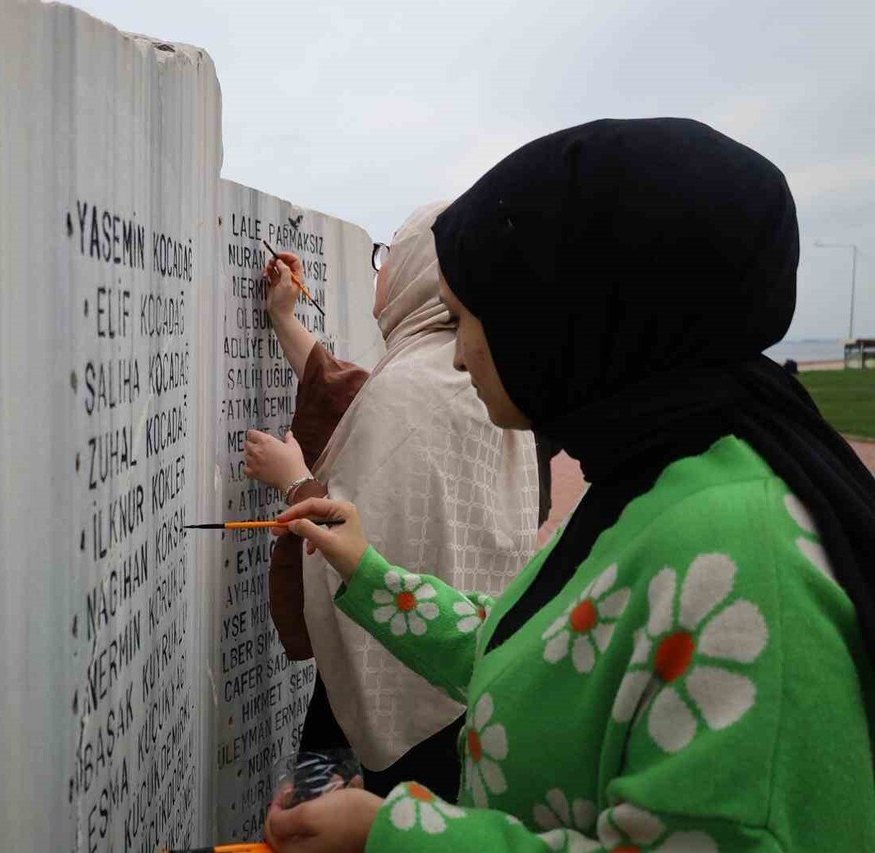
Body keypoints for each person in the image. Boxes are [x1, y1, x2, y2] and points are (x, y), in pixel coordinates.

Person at [263, 118, 875, 852]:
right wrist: (368, 571)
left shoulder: (743, 557)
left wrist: (394, 834)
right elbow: (547, 645)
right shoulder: (659, 482)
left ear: (571, 319)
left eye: (468, 320)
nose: (457, 357)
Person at [244, 202, 541, 799]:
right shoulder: (471, 369)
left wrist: (299, 485)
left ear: (419, 269)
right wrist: (285, 320)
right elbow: (351, 391)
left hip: (407, 671)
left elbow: (356, 541)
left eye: (387, 254)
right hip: (465, 671)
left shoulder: (417, 385)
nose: (379, 272)